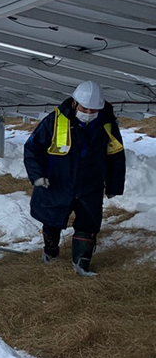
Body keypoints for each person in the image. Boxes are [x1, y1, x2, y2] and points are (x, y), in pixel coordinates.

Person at [23, 80, 125, 276]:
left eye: (93, 110)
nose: (88, 113)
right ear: (75, 103)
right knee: (52, 219)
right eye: (84, 108)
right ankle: (50, 252)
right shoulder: (54, 120)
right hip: (57, 182)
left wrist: (114, 185)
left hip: (90, 184)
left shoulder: (107, 124)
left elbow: (115, 155)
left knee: (89, 223)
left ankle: (81, 265)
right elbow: (33, 148)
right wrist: (37, 176)